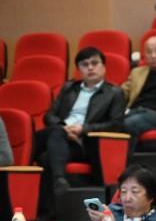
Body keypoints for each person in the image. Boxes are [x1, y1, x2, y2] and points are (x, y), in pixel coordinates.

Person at [34, 47, 125, 203]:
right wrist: (63, 128)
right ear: (79, 69)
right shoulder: (69, 88)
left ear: (104, 66)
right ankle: (58, 180)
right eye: (85, 64)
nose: (90, 68)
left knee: (46, 158)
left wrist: (83, 129)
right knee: (49, 134)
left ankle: (47, 204)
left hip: (81, 143)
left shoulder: (114, 93)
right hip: (59, 133)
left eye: (94, 63)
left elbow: (116, 124)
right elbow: (49, 115)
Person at [84, 164, 156, 221]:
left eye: (135, 192)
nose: (127, 198)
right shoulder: (113, 212)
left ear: (151, 196)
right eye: (124, 191)